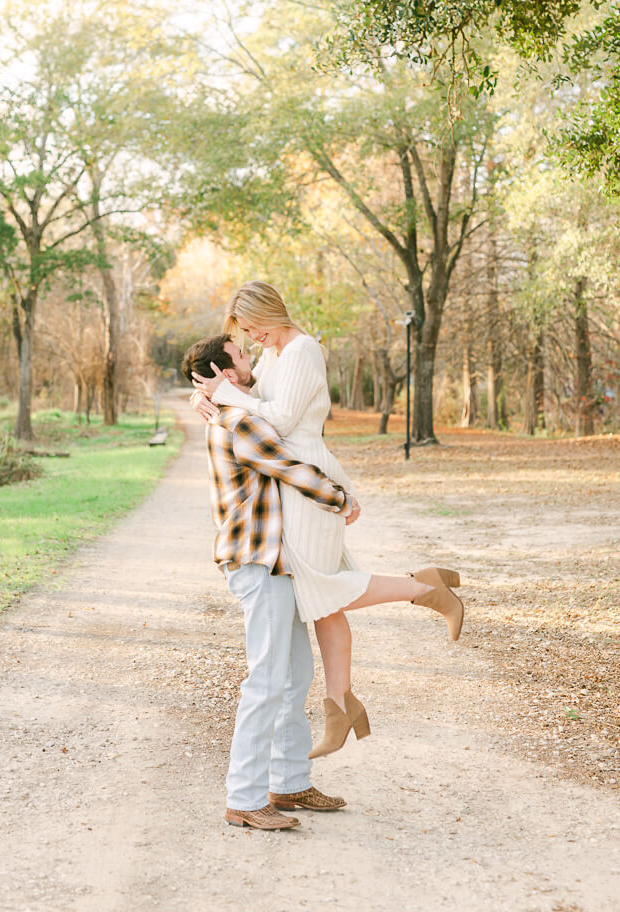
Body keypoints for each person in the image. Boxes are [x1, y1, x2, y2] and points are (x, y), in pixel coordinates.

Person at [191, 281, 464, 759]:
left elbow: (278, 417)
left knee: (320, 586)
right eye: (244, 333)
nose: (251, 337)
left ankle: (423, 587)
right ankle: (340, 704)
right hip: (294, 480)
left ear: (271, 312)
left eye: (252, 326)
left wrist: (228, 398)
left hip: (307, 476)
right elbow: (244, 396)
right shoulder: (273, 355)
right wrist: (208, 400)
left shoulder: (303, 350)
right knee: (323, 599)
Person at [182, 333, 359, 831]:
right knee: (265, 680)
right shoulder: (238, 420)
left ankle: (289, 781)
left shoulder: (232, 409)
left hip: (276, 562)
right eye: (241, 354)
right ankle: (244, 795)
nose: (252, 358)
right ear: (225, 372)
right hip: (257, 563)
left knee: (295, 674)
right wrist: (341, 498)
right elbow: (287, 467)